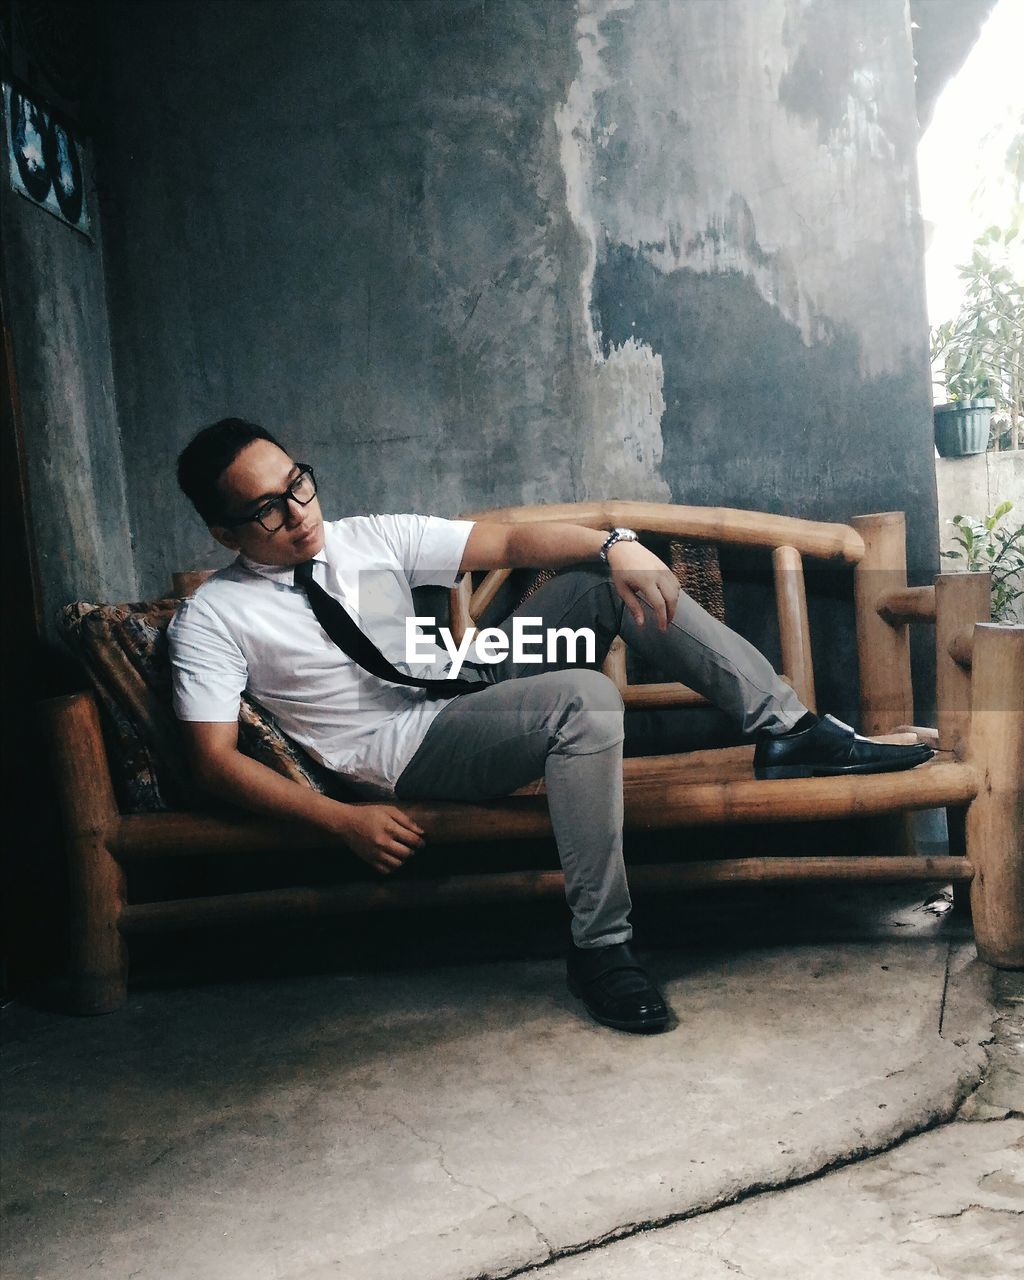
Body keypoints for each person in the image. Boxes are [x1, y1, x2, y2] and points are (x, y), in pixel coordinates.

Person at [169, 418, 933, 1034]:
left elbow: (505, 545)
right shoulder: (215, 616)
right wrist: (340, 820)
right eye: (266, 508)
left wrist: (618, 543)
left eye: (297, 484)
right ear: (222, 532)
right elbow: (212, 760)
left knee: (600, 584)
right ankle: (601, 946)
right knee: (582, 699)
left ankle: (789, 729)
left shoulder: (364, 539)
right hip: (403, 750)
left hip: (470, 682)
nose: (298, 513)